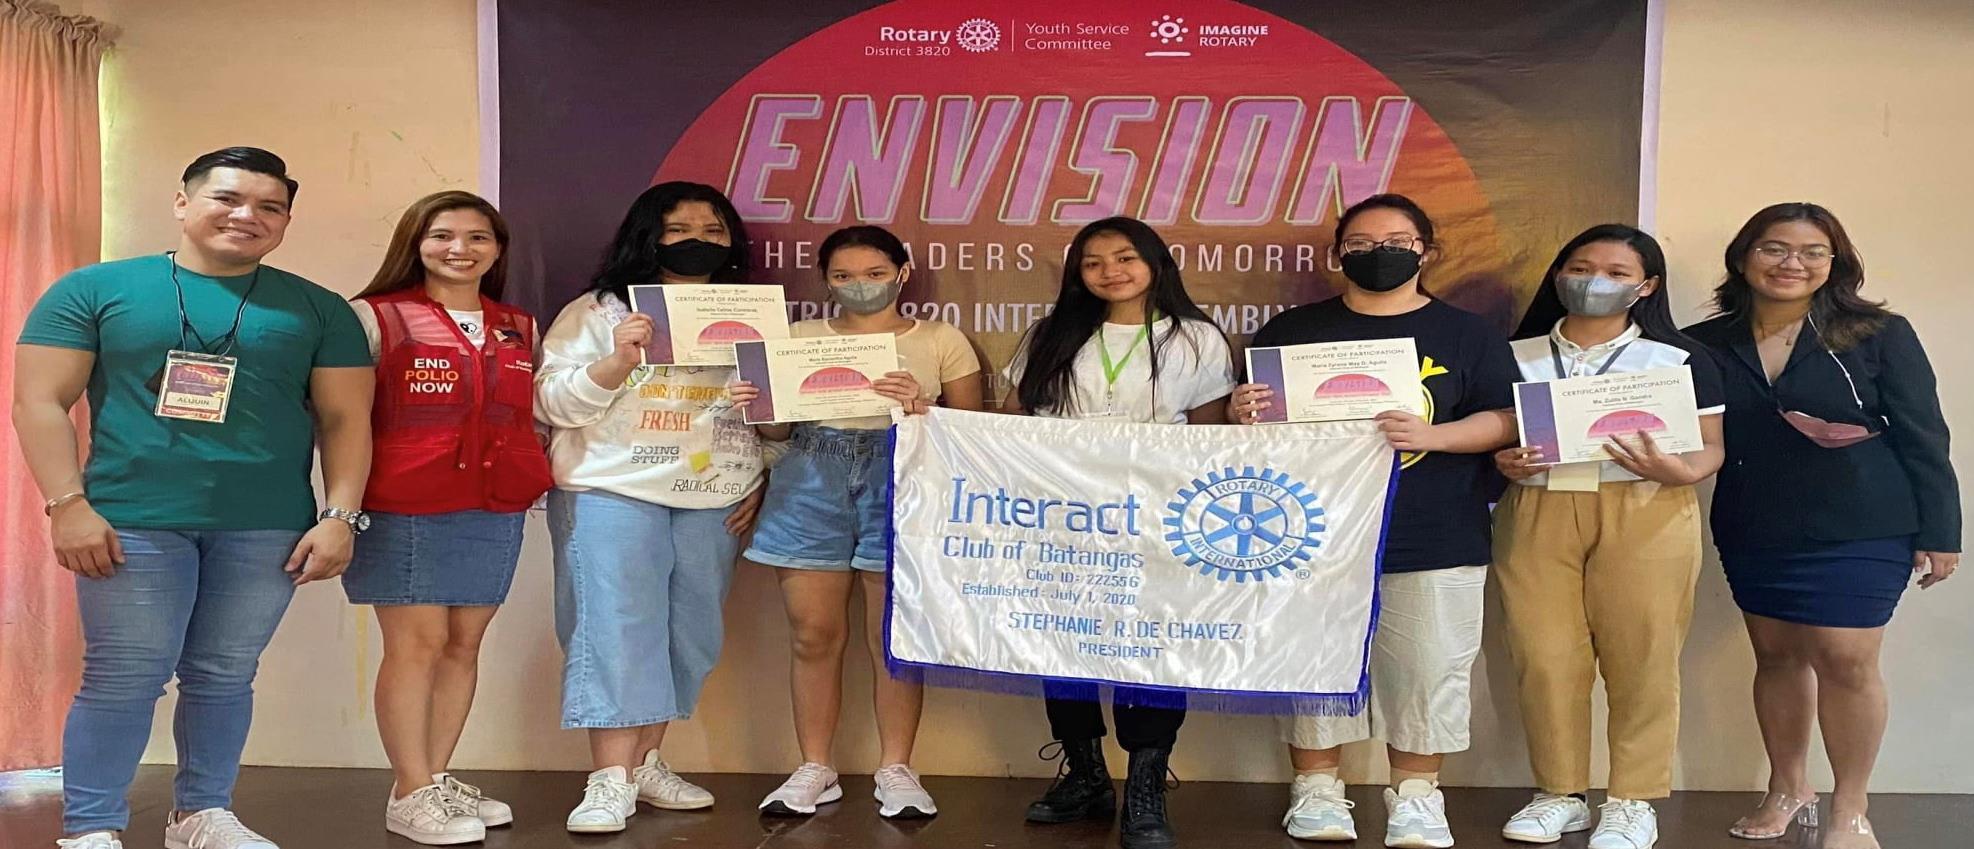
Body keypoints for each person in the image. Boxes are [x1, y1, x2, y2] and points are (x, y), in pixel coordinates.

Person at [14, 147, 374, 849]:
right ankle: (91, 826)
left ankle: (201, 813)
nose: (247, 215)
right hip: (129, 521)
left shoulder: (319, 308)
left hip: (266, 526)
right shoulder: (94, 289)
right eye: (227, 198)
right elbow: (38, 402)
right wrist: (66, 504)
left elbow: (346, 419)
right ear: (183, 203)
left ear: (285, 222)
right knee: (125, 675)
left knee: (224, 673)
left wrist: (340, 516)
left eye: (269, 207)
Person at [1228, 193, 1519, 849]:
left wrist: (1435, 435)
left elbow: (1506, 419)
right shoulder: (1292, 330)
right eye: (1359, 244)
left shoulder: (1468, 333)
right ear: (1337, 256)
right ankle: (1316, 788)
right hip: (1312, 532)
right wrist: (1240, 410)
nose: (1378, 253)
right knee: (1312, 660)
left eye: (1395, 242)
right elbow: (1256, 427)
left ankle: (1417, 796)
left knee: (1428, 665)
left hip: (1434, 529)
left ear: (1426, 251)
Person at [1684, 203, 1958, 849]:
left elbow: (1924, 433)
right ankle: (1788, 788)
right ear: (1744, 257)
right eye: (1775, 248)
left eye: (1812, 252)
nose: (1793, 263)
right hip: (1755, 519)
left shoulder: (1877, 332)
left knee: (1846, 658)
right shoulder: (1703, 342)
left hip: (1865, 519)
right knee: (1776, 655)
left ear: (1835, 263)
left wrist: (1942, 531)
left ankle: (1851, 807)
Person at [534, 181, 766, 834]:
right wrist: (616, 360)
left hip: (713, 493)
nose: (699, 241)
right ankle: (609, 778)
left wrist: (762, 470)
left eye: (714, 230)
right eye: (679, 229)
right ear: (648, 237)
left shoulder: (747, 313)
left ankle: (644, 763)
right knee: (615, 626)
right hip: (612, 489)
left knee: (689, 631)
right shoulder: (598, 310)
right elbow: (551, 403)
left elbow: (769, 410)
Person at [733, 226, 984, 819]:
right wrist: (758, 406)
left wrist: (922, 408)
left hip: (903, 482)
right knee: (813, 635)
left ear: (903, 274)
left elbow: (973, 434)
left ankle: (896, 767)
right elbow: (776, 432)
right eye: (843, 276)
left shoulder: (941, 339)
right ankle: (815, 766)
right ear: (825, 280)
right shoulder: (796, 339)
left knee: (893, 639)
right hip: (809, 481)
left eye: (874, 274)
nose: (860, 286)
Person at [1491, 225, 1726, 849]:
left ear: (1647, 287)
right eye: (1581, 267)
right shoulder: (1513, 354)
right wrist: (1502, 462)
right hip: (1539, 505)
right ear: (1558, 274)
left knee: (1643, 655)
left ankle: (1632, 799)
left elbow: (1711, 448)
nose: (1595, 281)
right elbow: (1491, 435)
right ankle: (1560, 793)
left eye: (1618, 273)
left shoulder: (1678, 360)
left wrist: (1680, 472)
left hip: (1647, 507)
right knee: (1544, 657)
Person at [1005, 216, 1235, 849]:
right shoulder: (1050, 335)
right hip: (1063, 519)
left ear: (1156, 263)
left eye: (1125, 257)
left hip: (1158, 520)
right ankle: (1085, 775)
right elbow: (1011, 425)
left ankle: (1145, 785)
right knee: (1063, 643)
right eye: (1093, 262)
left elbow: (1211, 436)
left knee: (1153, 647)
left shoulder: (1196, 338)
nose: (1110, 271)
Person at [341, 191, 553, 844]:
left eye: (478, 237)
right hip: (404, 501)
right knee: (418, 644)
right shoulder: (375, 316)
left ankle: (431, 777)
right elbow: (342, 417)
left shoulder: (519, 325)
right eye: (442, 235)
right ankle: (409, 791)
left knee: (464, 642)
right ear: (416, 242)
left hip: (493, 504)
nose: (460, 248)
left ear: (497, 249)